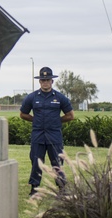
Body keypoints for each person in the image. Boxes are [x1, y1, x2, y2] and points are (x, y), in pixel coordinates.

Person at [20, 67, 74, 195]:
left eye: (48, 80)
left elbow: (70, 115)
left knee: (57, 161)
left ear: (52, 81)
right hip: (38, 134)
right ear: (39, 82)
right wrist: (35, 120)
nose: (45, 82)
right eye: (43, 80)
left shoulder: (60, 98)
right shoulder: (32, 97)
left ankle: (61, 188)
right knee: (36, 162)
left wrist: (56, 121)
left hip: (54, 135)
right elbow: (23, 114)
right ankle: (34, 188)